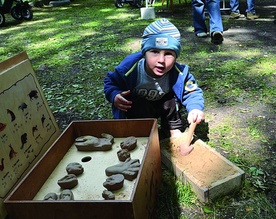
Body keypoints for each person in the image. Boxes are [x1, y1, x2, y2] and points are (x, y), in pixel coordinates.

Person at [104, 18, 205, 156]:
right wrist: (114, 95)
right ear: (144, 53)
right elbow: (111, 82)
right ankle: (140, 129)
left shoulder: (178, 73)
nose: (161, 60)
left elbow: (192, 91)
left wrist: (195, 108)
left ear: (176, 56)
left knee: (170, 100)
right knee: (137, 109)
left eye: (169, 54)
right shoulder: (129, 69)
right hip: (138, 106)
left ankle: (172, 128)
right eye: (155, 52)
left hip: (163, 103)